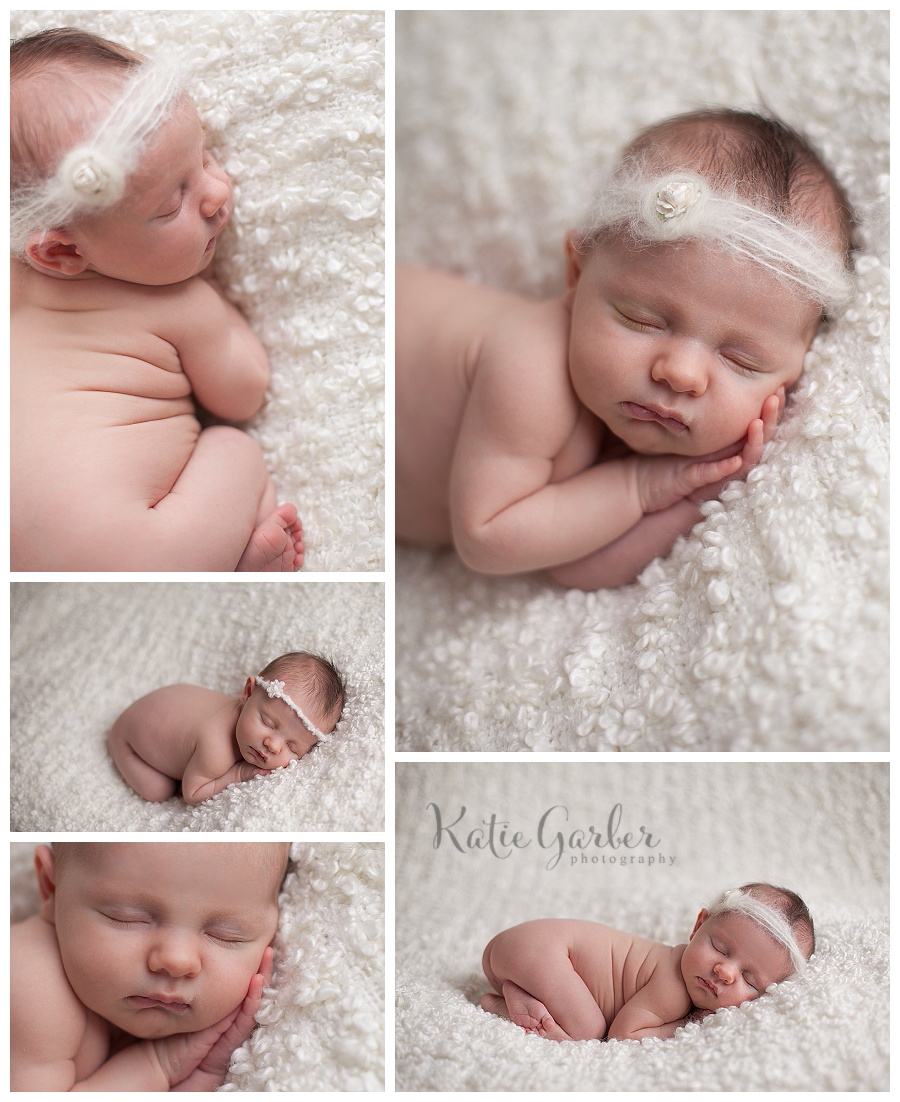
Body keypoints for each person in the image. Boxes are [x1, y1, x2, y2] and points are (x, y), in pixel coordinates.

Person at [396, 108, 854, 588]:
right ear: (576, 277)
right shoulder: (532, 366)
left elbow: (576, 568)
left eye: (743, 361)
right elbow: (485, 537)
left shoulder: (644, 421)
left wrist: (693, 498)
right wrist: (640, 488)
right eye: (643, 320)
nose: (681, 374)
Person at [11, 27, 304, 571]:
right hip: (145, 548)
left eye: (205, 157)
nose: (216, 193)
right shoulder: (180, 302)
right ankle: (241, 558)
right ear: (61, 251)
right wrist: (220, 311)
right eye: (171, 207)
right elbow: (245, 393)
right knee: (234, 448)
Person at [10, 841, 290, 1090]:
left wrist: (204, 1075)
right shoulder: (30, 988)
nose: (177, 961)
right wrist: (159, 1066)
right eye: (127, 917)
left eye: (227, 935)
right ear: (52, 888)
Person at [479, 883, 814, 1041]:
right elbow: (623, 1035)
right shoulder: (673, 987)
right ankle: (504, 1006)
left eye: (749, 979)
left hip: (521, 954)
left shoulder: (678, 971)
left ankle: (516, 990)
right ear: (698, 926)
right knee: (588, 1030)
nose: (724, 972)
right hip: (539, 951)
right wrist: (688, 1024)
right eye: (720, 948)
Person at [109, 651, 345, 803]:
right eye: (268, 722)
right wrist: (238, 773)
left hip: (171, 700)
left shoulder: (248, 711)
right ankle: (118, 743)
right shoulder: (216, 746)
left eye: (292, 748)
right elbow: (192, 794)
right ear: (248, 692)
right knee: (158, 791)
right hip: (130, 733)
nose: (272, 745)